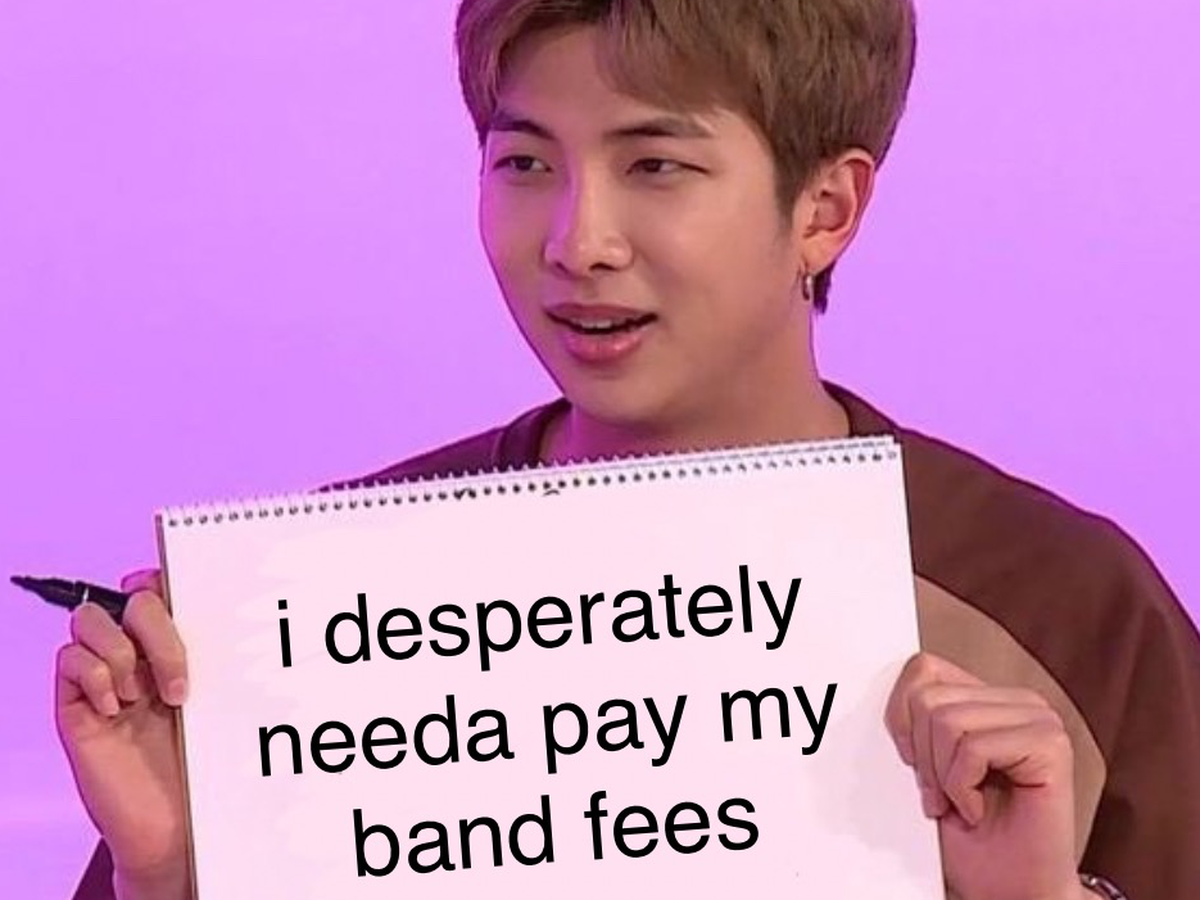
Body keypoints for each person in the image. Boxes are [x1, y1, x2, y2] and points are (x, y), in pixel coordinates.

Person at [58, 1, 1200, 899]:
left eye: (656, 165)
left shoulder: (1065, 607)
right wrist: (170, 874)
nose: (577, 241)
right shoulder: (325, 603)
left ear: (825, 209)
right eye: (525, 164)